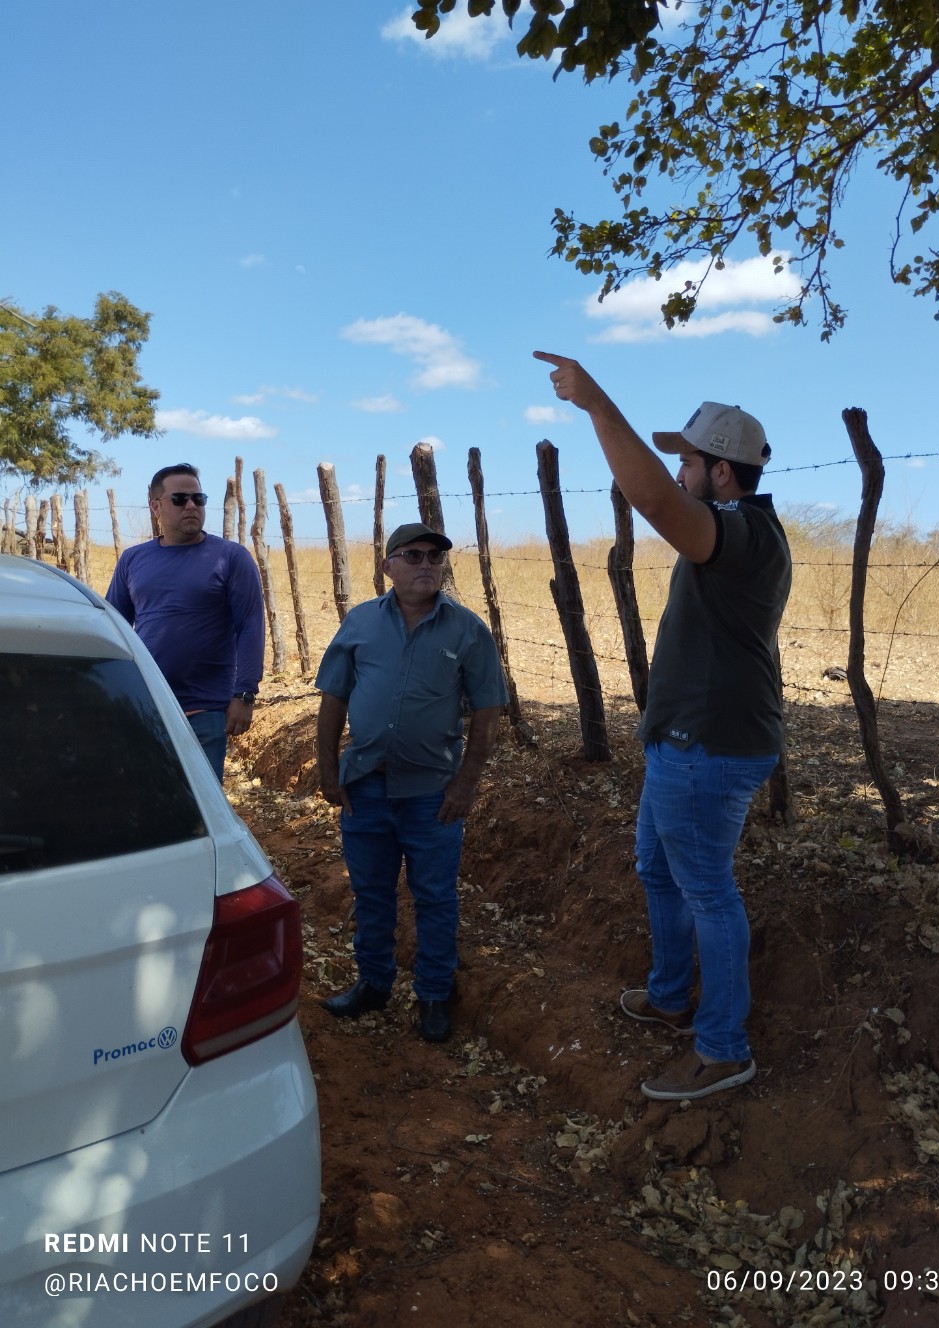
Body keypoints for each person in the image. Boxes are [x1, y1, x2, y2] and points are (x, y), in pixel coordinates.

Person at [534, 351, 791, 1101]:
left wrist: (597, 406)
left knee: (708, 890)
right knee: (657, 868)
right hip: (681, 743)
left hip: (710, 749)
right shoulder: (730, 530)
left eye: (688, 462)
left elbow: (653, 503)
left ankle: (722, 1049)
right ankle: (673, 993)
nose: (678, 472)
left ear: (722, 472)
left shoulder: (741, 531)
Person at [315, 521, 508, 1043]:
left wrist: (466, 782)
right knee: (372, 892)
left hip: (432, 793)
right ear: (388, 566)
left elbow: (489, 712)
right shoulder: (359, 623)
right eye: (414, 555)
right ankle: (374, 983)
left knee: (435, 896)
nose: (426, 565)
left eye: (435, 558)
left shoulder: (468, 631)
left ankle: (433, 994)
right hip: (366, 788)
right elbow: (333, 697)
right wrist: (327, 767)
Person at [105, 462, 265, 781]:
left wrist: (245, 693)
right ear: (156, 507)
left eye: (198, 499)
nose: (191, 506)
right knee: (148, 799)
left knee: (199, 811)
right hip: (146, 705)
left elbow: (250, 625)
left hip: (205, 710)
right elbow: (114, 626)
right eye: (179, 499)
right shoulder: (133, 560)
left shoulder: (231, 558)